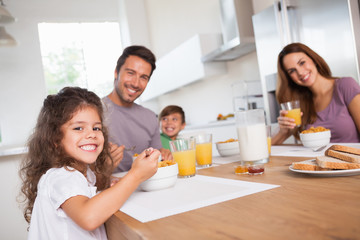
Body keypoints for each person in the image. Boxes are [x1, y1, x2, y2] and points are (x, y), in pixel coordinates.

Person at [19, 87, 159, 239]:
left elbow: (90, 190)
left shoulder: (83, 173)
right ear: (55, 139)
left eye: (96, 128)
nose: (91, 134)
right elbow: (89, 217)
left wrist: (110, 182)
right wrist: (136, 175)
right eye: (78, 128)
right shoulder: (60, 176)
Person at [272, 42, 360, 144]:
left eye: (302, 63)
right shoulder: (301, 103)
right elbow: (268, 148)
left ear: (313, 59)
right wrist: (283, 131)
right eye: (292, 71)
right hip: (316, 159)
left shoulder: (346, 85)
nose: (300, 72)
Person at [103, 45, 172, 172]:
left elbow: (156, 158)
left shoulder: (150, 117)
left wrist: (163, 154)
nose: (135, 83)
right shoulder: (93, 112)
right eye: (130, 73)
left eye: (143, 77)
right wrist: (102, 167)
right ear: (116, 72)